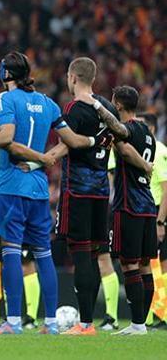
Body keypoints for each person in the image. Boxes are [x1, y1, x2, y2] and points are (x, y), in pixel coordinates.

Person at [0, 51, 107, 335]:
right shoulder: (48, 103)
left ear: (5, 74)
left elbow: (7, 138)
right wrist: (95, 140)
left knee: (11, 250)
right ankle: (51, 323)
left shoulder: (5, 99)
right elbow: (72, 140)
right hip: (39, 188)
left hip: (11, 184)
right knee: (43, 253)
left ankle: (13, 321)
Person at [43, 57, 121, 334]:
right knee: (95, 253)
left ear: (73, 77)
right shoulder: (107, 107)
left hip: (78, 189)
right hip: (102, 190)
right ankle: (88, 322)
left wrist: (43, 159)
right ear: (93, 78)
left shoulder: (74, 108)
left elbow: (69, 142)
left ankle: (85, 323)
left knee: (80, 254)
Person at [81, 86, 156, 335]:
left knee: (129, 264)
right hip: (147, 205)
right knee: (144, 265)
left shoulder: (129, 129)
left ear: (119, 105)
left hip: (129, 204)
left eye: (113, 102)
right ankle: (141, 323)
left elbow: (124, 147)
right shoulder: (148, 133)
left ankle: (137, 324)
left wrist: (96, 106)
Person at [137, 113, 167, 329]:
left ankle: (164, 315)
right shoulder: (144, 151)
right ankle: (152, 315)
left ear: (153, 129)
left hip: (159, 212)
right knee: (147, 263)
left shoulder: (160, 151)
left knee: (164, 264)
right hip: (146, 210)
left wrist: (160, 222)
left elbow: (166, 190)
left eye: (142, 127)